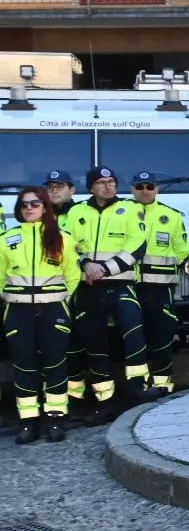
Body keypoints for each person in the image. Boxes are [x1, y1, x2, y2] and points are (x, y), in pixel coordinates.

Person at [61, 166, 150, 421]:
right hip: (88, 289)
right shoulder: (76, 212)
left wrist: (104, 269)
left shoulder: (131, 209)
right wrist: (85, 266)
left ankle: (137, 394)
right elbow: (68, 247)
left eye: (111, 181)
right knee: (95, 346)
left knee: (134, 338)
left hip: (120, 285)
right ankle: (105, 401)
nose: (108, 186)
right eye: (101, 182)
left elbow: (137, 244)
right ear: (91, 187)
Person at [5, 187, 79, 444]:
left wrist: (62, 300)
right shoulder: (6, 239)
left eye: (35, 203)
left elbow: (73, 275)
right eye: (24, 204)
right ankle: (28, 422)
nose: (29, 208)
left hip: (54, 310)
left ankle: (56, 418)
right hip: (18, 311)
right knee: (24, 367)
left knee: (55, 365)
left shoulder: (63, 238)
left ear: (45, 207)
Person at [129, 171, 189, 398]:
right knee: (136, 341)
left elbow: (182, 251)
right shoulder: (123, 213)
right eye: (139, 186)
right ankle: (140, 389)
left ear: (157, 189)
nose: (145, 191)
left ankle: (163, 388)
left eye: (149, 186)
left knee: (162, 340)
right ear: (132, 189)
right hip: (131, 289)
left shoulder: (171, 216)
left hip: (160, 289)